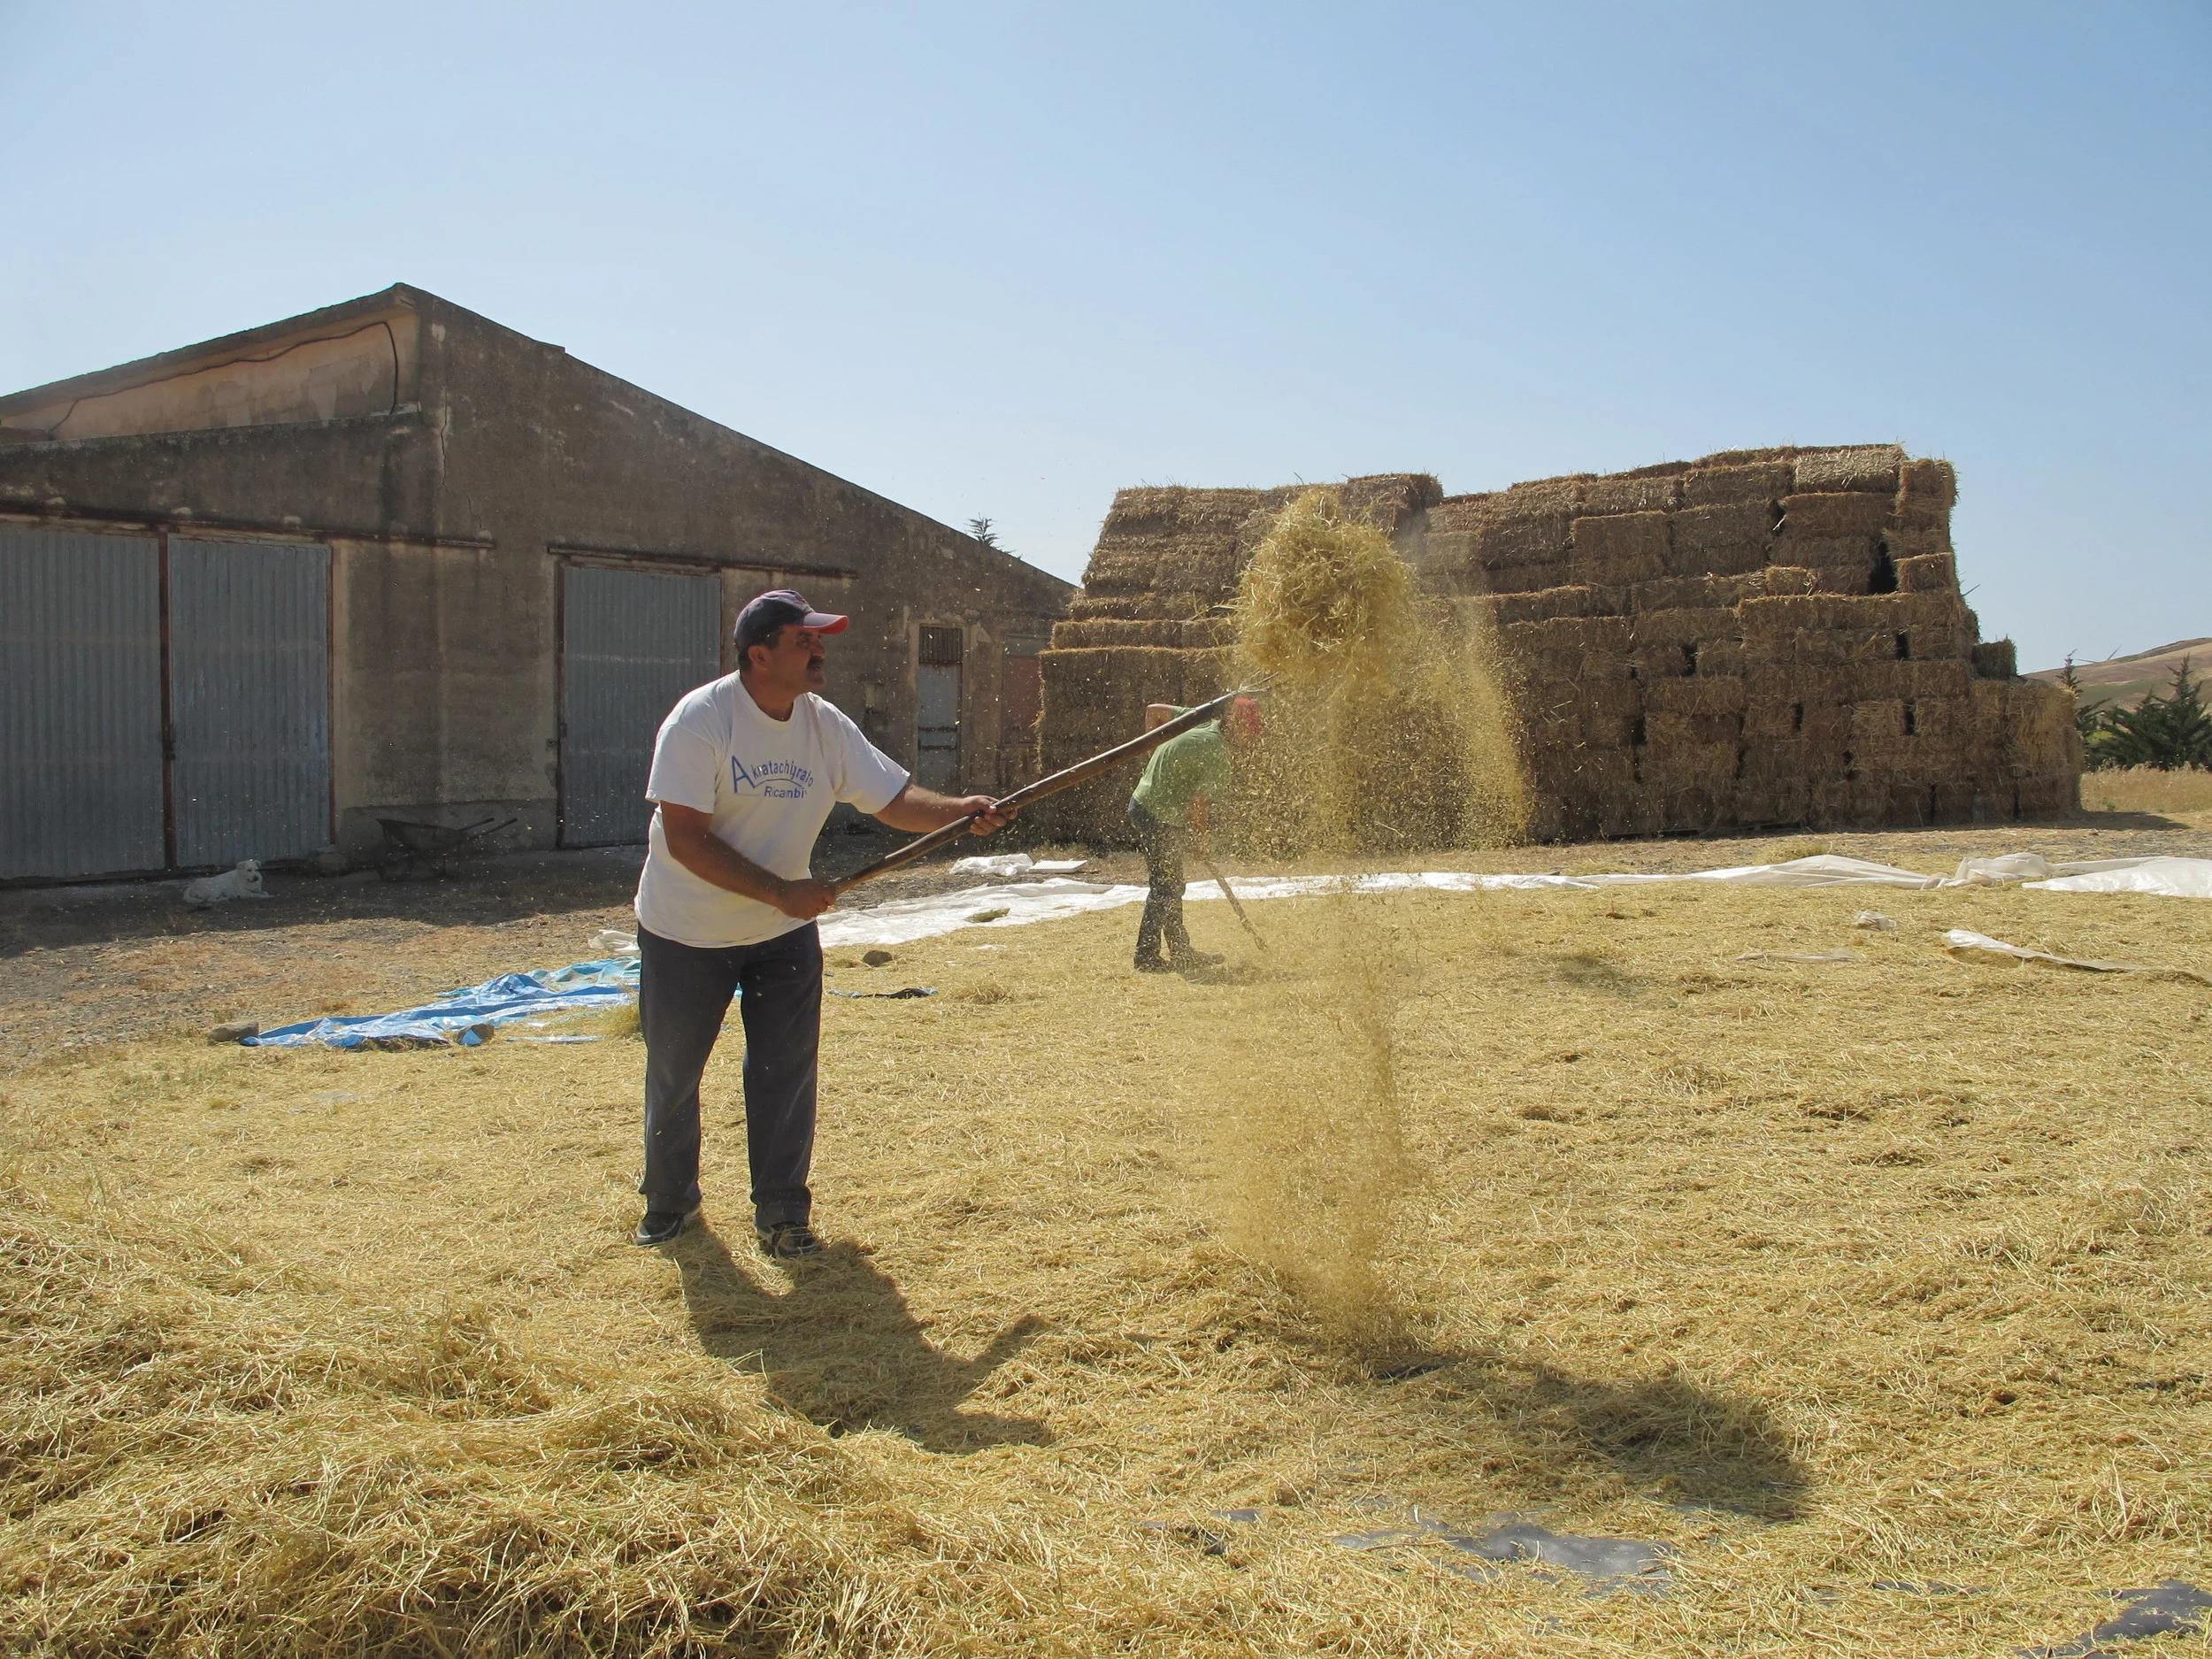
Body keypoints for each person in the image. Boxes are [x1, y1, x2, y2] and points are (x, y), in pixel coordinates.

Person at [631, 589, 1014, 1255]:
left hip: (782, 933)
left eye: (819, 637)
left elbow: (893, 799)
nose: (820, 649)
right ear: (759, 655)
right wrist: (781, 891)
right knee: (675, 1070)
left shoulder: (822, 724)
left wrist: (961, 809)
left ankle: (782, 1215)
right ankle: (670, 1201)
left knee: (785, 1070)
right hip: (688, 930)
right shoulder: (700, 721)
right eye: (804, 640)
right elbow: (685, 839)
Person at [1125, 695, 1262, 972]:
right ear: (1235, 727)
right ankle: (1146, 957)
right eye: (1249, 733)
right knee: (1166, 887)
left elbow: (1154, 711)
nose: (1251, 742)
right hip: (1157, 814)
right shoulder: (1217, 753)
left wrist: (1156, 752)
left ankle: (1180, 951)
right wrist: (1202, 843)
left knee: (1171, 885)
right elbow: (1198, 804)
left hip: (1144, 802)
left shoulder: (1196, 718)